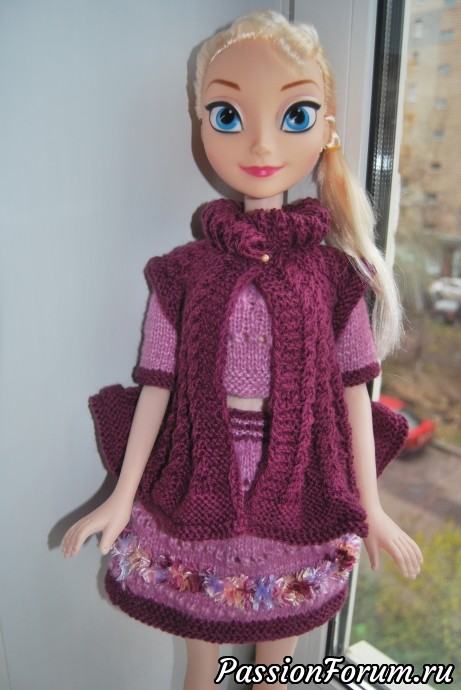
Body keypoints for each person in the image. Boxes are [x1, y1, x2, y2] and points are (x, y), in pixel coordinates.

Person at [62, 10, 422, 690]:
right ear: (201, 125)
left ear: (326, 128)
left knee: (273, 665)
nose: (259, 142)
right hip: (198, 476)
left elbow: (353, 394)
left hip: (302, 488)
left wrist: (370, 506)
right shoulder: (181, 272)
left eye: (293, 116)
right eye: (227, 116)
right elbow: (157, 385)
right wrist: (123, 494)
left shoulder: (333, 276)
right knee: (201, 661)